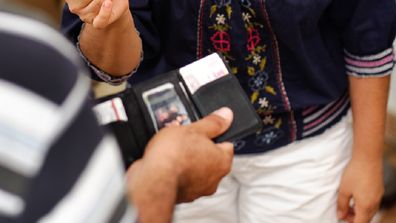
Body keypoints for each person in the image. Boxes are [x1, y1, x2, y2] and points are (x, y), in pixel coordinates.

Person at [61, 0, 396, 222]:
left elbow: (367, 30)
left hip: (305, 149)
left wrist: (366, 158)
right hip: (177, 143)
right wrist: (109, 20)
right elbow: (114, 65)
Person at [0, 1, 234, 223]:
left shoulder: (29, 58)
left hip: (249, 144)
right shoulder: (28, 62)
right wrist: (165, 171)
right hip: (168, 133)